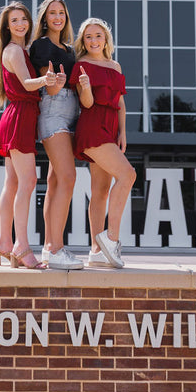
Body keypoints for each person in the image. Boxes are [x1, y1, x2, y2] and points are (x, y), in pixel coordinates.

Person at [0, 1, 56, 269]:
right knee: (28, 181)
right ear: (7, 27)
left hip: (17, 115)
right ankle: (21, 245)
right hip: (20, 116)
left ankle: (4, 243)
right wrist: (46, 79)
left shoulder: (18, 50)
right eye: (14, 20)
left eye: (23, 19)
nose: (20, 24)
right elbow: (27, 83)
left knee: (13, 183)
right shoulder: (14, 51)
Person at [70, 18, 136, 269]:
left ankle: (96, 251)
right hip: (92, 127)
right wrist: (85, 87)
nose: (94, 40)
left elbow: (120, 102)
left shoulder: (115, 66)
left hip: (111, 130)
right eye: (88, 36)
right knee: (128, 175)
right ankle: (111, 239)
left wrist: (123, 133)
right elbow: (86, 104)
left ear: (106, 39)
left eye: (98, 35)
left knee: (99, 191)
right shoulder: (82, 65)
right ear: (83, 41)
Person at [29, 0, 84, 270]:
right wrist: (55, 82)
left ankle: (50, 247)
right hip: (54, 111)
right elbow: (48, 86)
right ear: (45, 18)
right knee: (68, 177)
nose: (58, 17)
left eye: (61, 12)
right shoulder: (41, 45)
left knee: (54, 182)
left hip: (72, 113)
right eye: (52, 13)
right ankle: (58, 248)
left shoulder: (71, 50)